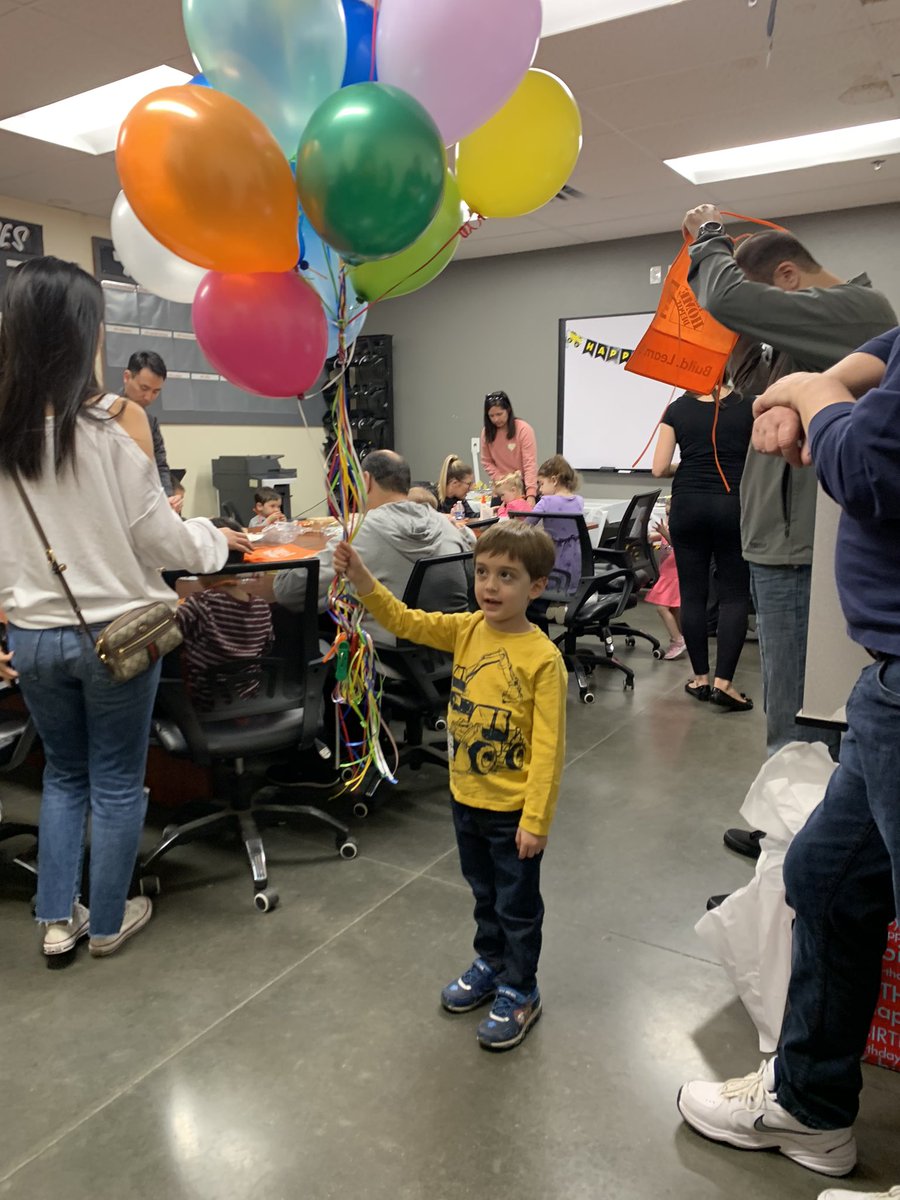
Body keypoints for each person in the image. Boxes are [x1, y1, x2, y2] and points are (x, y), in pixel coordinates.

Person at [677, 327, 900, 1185]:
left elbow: (873, 464)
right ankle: (809, 1108)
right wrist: (821, 377)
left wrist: (809, 397)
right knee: (827, 880)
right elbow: (887, 347)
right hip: (887, 690)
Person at [0, 257, 250, 964]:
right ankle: (108, 919)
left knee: (61, 774)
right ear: (84, 337)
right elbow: (161, 540)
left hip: (34, 638)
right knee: (113, 777)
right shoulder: (108, 434)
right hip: (116, 638)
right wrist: (213, 539)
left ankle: (57, 921)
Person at [683, 205, 896, 859]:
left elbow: (723, 290)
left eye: (760, 301)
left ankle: (790, 848)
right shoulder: (809, 343)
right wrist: (740, 328)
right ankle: (795, 832)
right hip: (777, 541)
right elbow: (749, 385)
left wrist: (708, 240)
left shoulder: (859, 313)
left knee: (801, 714)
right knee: (792, 700)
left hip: (804, 547)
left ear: (788, 278)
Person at [333, 521, 566, 1051]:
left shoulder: (542, 660)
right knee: (484, 894)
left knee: (518, 905)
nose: (490, 586)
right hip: (467, 798)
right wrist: (364, 575)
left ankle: (521, 987)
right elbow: (402, 619)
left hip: (512, 811)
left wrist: (536, 820)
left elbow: (550, 750)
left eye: (507, 576)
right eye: (483, 572)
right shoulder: (465, 629)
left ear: (535, 587)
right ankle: (492, 960)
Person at [273, 450, 474, 646]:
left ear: (366, 480)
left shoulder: (362, 532)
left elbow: (288, 590)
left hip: (384, 658)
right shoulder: (451, 527)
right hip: (454, 651)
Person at [653, 385, 755, 710]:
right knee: (734, 596)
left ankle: (700, 679)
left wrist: (691, 462)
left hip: (688, 506)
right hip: (733, 504)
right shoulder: (749, 406)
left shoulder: (677, 410)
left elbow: (658, 468)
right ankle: (724, 684)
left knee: (692, 595)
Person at [175, 519, 274, 710]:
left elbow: (170, 641)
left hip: (206, 704)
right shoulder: (261, 607)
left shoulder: (197, 605)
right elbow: (267, 647)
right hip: (251, 699)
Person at [121, 350, 182, 514]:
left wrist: (168, 498)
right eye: (144, 388)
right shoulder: (106, 415)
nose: (148, 397)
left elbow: (160, 465)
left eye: (156, 391)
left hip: (146, 508)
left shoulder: (150, 422)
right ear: (127, 377)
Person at [528, 455, 585, 596]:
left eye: (541, 484)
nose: (539, 490)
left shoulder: (545, 502)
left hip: (555, 555)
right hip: (577, 556)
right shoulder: (579, 500)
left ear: (554, 480)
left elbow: (527, 525)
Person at [479, 391, 538, 507]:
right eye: (491, 416)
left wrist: (531, 494)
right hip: (501, 488)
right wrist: (501, 479)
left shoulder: (523, 429)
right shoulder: (486, 433)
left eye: (499, 414)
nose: (496, 419)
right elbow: (486, 461)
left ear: (508, 410)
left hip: (522, 488)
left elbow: (529, 463)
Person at [644, 498, 684, 660]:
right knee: (673, 609)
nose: (668, 517)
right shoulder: (667, 527)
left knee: (662, 608)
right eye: (667, 514)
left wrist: (664, 532)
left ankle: (678, 640)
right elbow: (654, 537)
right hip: (668, 573)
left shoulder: (679, 528)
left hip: (673, 575)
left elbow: (677, 542)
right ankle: (680, 636)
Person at [436, 454, 476, 519]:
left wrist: (489, 512)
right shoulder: (432, 498)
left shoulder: (459, 498)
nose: (471, 488)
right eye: (468, 484)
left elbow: (471, 516)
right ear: (455, 483)